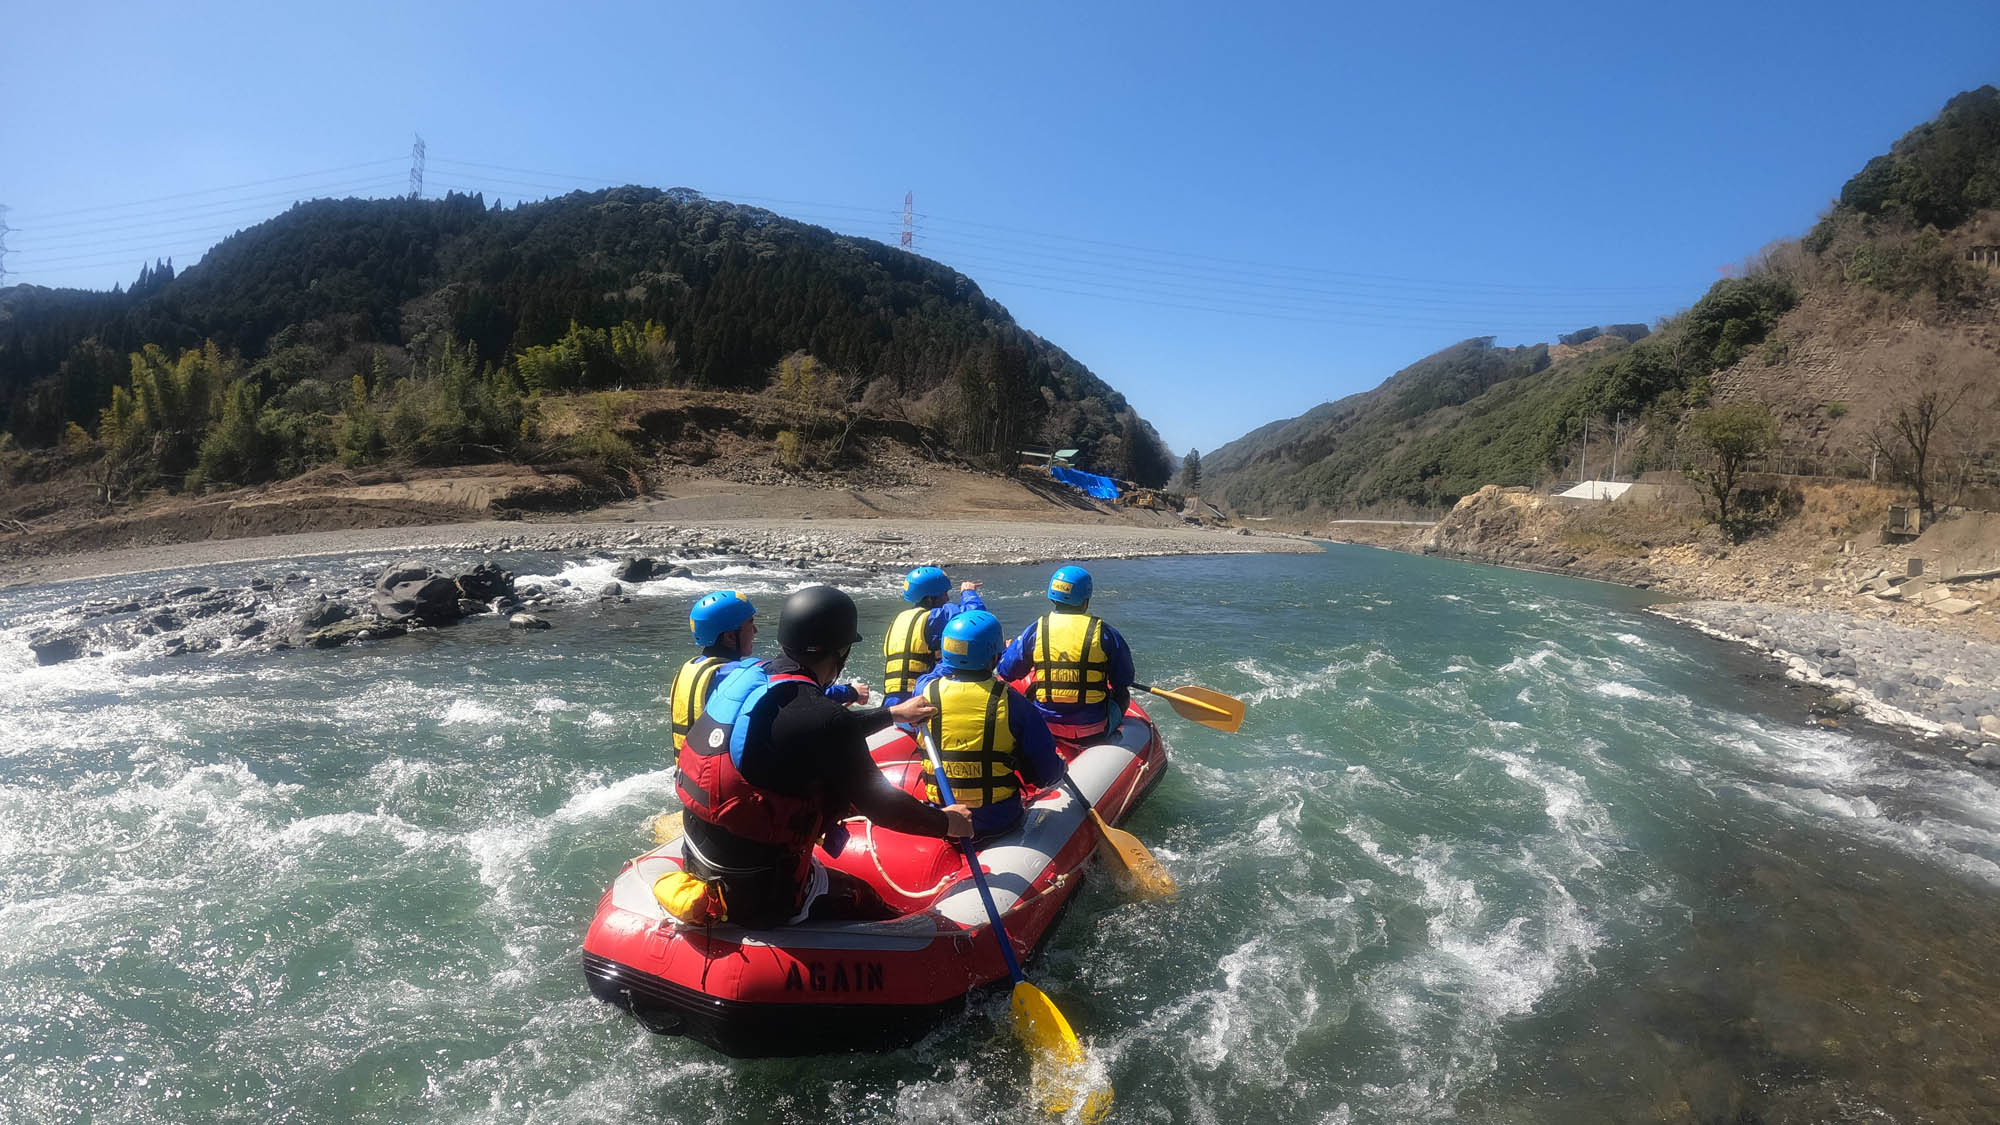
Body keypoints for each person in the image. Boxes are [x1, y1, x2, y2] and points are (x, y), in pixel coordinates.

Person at [675, 585, 972, 927]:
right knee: (864, 898)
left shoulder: (743, 677)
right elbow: (885, 808)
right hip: (759, 893)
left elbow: (813, 730)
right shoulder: (822, 715)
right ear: (841, 651)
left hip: (700, 863)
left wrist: (892, 715)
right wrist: (947, 822)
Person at [910, 610, 1065, 837]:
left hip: (942, 820)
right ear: (994, 657)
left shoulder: (923, 692)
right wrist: (1060, 767)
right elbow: (1045, 775)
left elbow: (939, 672)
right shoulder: (1013, 702)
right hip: (997, 821)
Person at [670, 590, 866, 755]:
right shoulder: (732, 675)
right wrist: (851, 692)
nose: (755, 631)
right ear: (730, 637)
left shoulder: (690, 668)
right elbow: (802, 702)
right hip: (717, 776)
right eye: (750, 624)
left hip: (690, 771)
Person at [996, 565, 1137, 742]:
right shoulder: (1104, 633)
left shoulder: (1036, 629)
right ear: (1086, 599)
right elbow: (1124, 679)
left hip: (1046, 727)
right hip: (1092, 730)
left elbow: (1007, 671)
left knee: (1031, 689)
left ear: (1052, 595)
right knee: (1122, 693)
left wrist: (1010, 650)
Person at [881, 566, 988, 706]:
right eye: (944, 593)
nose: (947, 598)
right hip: (917, 699)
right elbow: (975, 618)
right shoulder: (932, 619)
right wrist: (968, 592)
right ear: (931, 598)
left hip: (891, 700)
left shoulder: (900, 618)